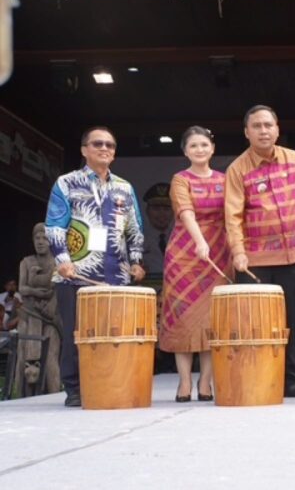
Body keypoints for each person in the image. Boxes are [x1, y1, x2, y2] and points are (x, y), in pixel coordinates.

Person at [45, 126, 145, 407]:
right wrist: (62, 261)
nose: (104, 149)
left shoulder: (124, 187)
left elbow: (135, 230)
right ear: (84, 149)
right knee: (77, 335)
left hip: (116, 277)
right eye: (97, 143)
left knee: (114, 334)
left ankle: (110, 382)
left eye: (110, 145)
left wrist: (136, 262)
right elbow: (54, 226)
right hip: (76, 276)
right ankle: (75, 389)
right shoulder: (66, 182)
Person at [225, 105, 295, 398]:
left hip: (291, 255)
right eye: (257, 126)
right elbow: (233, 215)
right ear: (246, 132)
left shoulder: (293, 159)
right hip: (254, 260)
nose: (263, 131)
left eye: (268, 125)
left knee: (289, 321)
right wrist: (238, 252)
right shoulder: (237, 168)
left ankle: (291, 382)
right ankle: (256, 379)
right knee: (254, 323)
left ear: (277, 128)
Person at [160, 126, 230, 402]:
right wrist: (200, 241)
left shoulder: (225, 179)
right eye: (193, 146)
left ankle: (206, 382)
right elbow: (185, 211)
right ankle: (184, 382)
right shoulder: (180, 179)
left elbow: (234, 213)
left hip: (219, 253)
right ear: (185, 151)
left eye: (204, 145)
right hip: (184, 253)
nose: (199, 150)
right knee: (182, 316)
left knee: (211, 318)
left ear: (212, 148)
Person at [15, 223, 61, 396]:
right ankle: (20, 396)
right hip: (29, 315)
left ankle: (54, 395)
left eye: (45, 238)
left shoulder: (57, 263)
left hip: (50, 318)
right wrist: (36, 292)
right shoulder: (26, 262)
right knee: (22, 357)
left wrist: (50, 303)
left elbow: (57, 289)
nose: (40, 242)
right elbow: (22, 288)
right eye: (37, 238)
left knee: (50, 358)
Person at [141, 182, 173, 274]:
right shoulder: (138, 239)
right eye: (156, 208)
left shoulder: (180, 238)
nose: (161, 214)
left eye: (167, 209)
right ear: (147, 211)